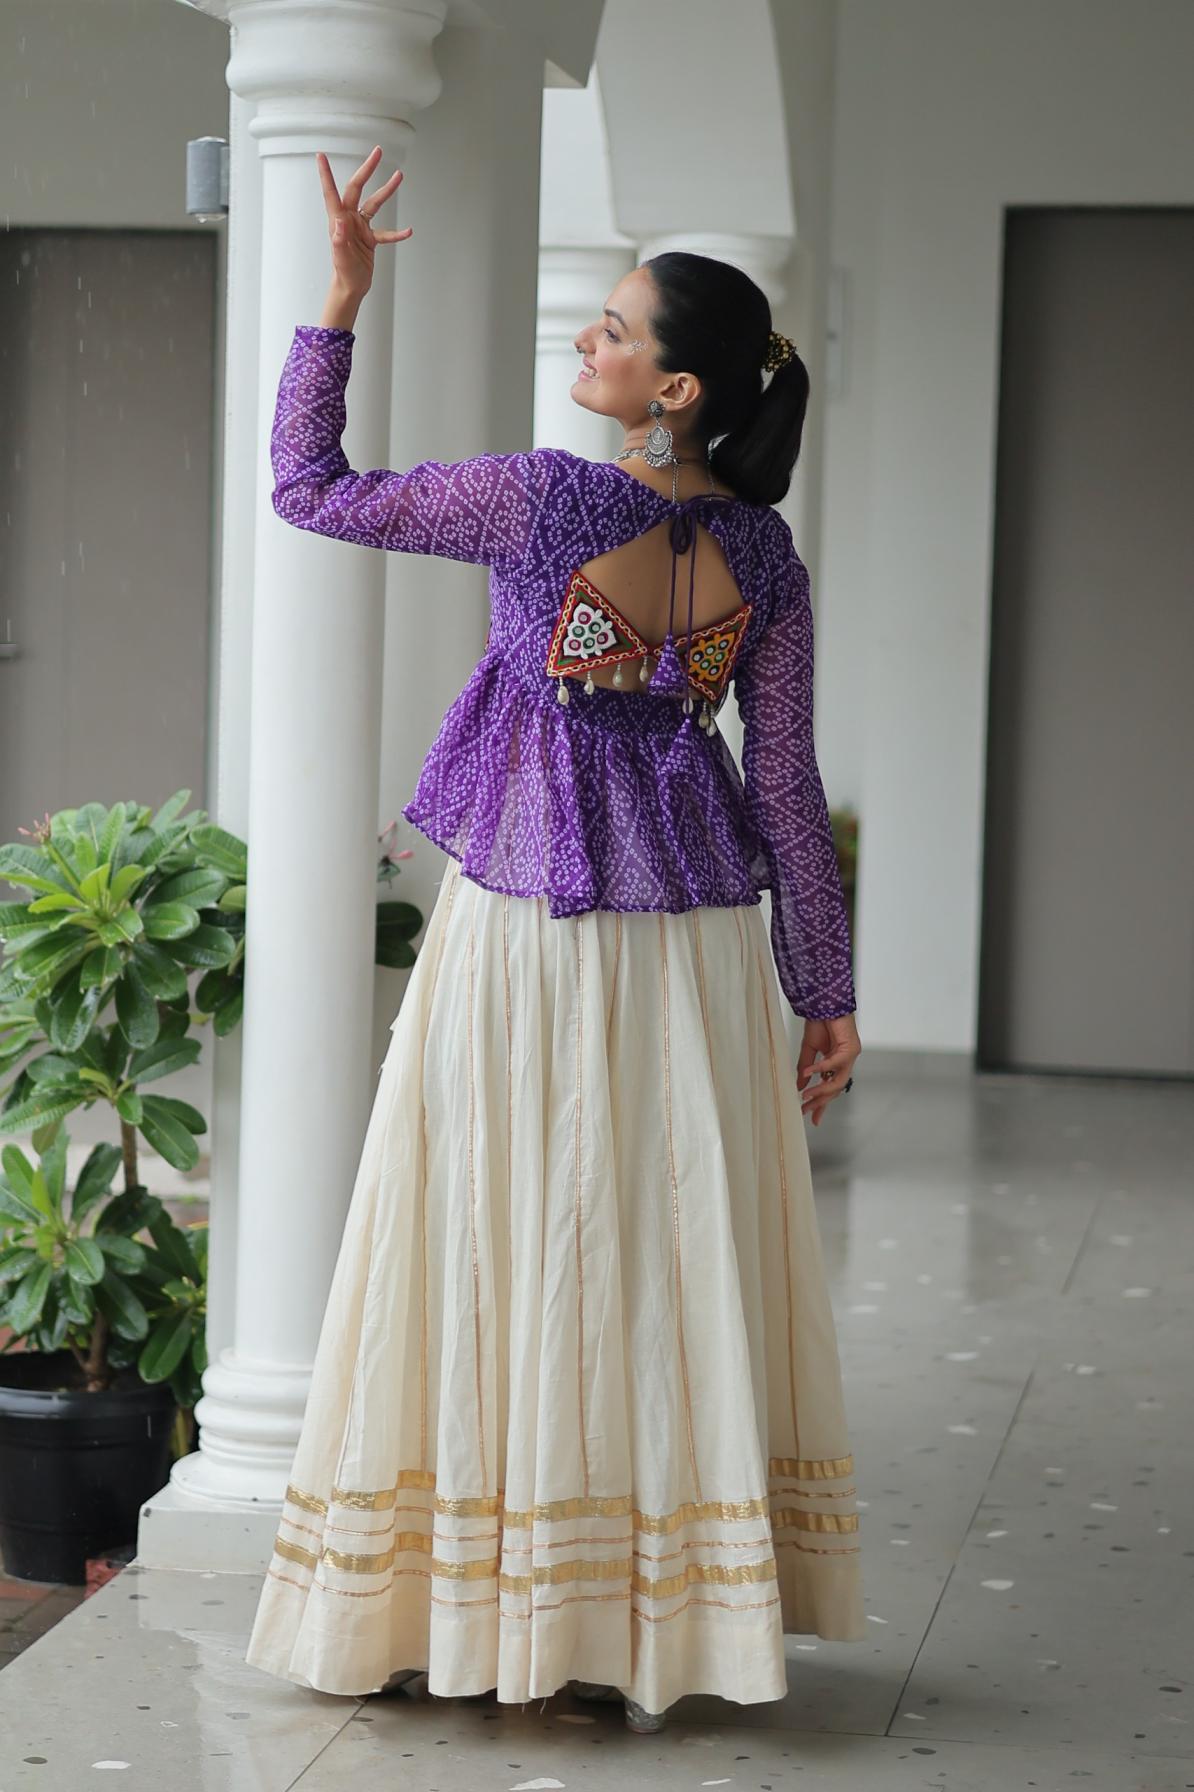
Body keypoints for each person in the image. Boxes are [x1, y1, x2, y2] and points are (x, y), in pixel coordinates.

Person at [244, 147, 865, 1736]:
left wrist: (338, 301)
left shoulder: (538, 500)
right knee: (652, 1253)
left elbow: (307, 490)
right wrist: (823, 989)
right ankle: (621, 1630)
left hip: (527, 923)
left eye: (610, 329)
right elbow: (782, 780)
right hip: (694, 943)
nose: (585, 342)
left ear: (674, 388)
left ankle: (468, 1602)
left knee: (493, 1228)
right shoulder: (766, 557)